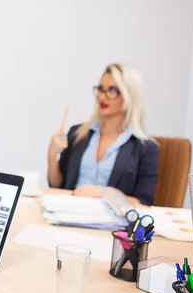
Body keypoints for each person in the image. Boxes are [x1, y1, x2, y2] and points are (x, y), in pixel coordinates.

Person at [47, 63, 159, 206]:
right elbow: (57, 186)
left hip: (109, 222)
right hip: (69, 211)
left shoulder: (146, 147)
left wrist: (103, 193)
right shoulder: (77, 133)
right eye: (100, 89)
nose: (102, 96)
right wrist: (52, 156)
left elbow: (144, 202)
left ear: (129, 95)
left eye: (112, 90)